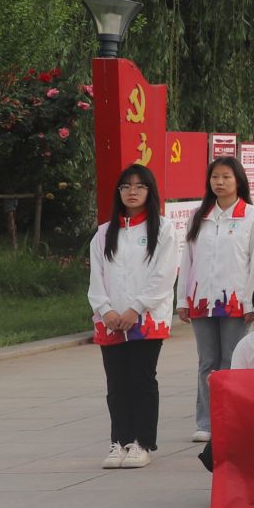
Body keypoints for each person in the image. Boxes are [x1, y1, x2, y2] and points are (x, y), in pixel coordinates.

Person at [88, 164, 179, 470]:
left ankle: (142, 442)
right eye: (126, 186)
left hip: (147, 319)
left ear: (150, 191)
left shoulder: (163, 229)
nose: (132, 191)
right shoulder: (104, 233)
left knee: (141, 379)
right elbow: (96, 277)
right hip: (110, 320)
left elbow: (163, 276)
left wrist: (135, 309)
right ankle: (120, 441)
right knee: (116, 383)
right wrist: (106, 310)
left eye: (139, 186)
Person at [178, 156, 254, 445]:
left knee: (232, 359)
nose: (220, 182)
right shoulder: (198, 216)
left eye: (226, 177)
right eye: (215, 177)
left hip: (237, 302)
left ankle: (230, 418)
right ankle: (206, 421)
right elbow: (187, 259)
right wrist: (183, 299)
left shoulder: (252, 216)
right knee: (207, 361)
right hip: (202, 300)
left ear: (238, 180)